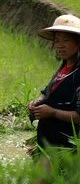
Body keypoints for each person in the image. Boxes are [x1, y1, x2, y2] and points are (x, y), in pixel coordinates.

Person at [28, 14, 80, 150]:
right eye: (57, 41)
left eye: (66, 40)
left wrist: (53, 113)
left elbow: (78, 117)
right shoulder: (63, 68)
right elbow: (47, 92)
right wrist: (36, 103)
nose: (60, 46)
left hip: (67, 149)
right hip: (49, 143)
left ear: (78, 42)